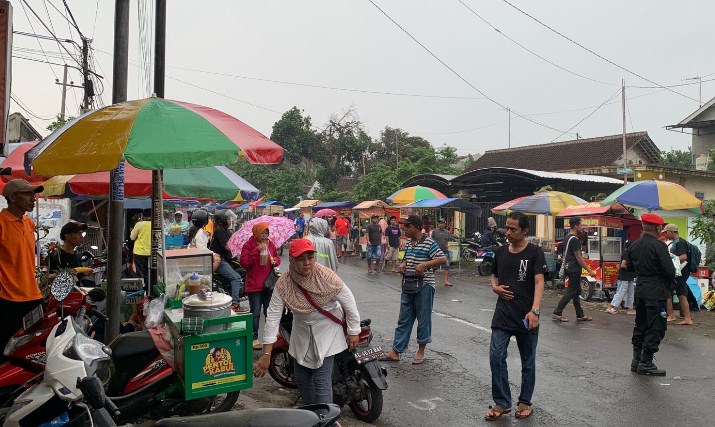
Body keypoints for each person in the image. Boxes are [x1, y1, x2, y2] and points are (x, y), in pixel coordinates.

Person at [254, 239, 360, 406]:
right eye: (301, 259)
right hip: (301, 333)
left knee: (321, 380)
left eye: (310, 257)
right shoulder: (284, 284)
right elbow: (272, 318)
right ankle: (312, 414)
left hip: (327, 330)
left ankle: (327, 420)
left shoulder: (326, 277)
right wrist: (266, 354)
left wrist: (354, 330)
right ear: (292, 260)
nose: (307, 263)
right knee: (302, 379)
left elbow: (349, 301)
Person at [485, 212, 546, 421]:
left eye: (513, 229)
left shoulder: (535, 252)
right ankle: (502, 402)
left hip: (526, 316)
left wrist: (535, 310)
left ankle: (524, 401)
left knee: (527, 361)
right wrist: (495, 287)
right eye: (507, 228)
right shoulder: (500, 252)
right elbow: (493, 275)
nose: (508, 232)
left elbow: (539, 282)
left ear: (525, 230)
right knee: (496, 356)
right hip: (502, 314)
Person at [380, 215, 446, 365]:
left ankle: (421, 351)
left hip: (424, 286)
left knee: (423, 319)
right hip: (409, 284)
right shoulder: (409, 243)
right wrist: (404, 264)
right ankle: (396, 351)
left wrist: (424, 265)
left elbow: (442, 259)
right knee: (404, 319)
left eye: (408, 227)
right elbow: (408, 258)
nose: (405, 229)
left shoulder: (429, 242)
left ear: (417, 227)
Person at [626, 213, 675, 376]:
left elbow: (630, 268)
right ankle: (646, 362)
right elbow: (670, 271)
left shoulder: (634, 245)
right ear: (658, 228)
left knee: (641, 325)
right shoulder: (659, 246)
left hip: (640, 290)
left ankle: (636, 360)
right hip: (656, 291)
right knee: (656, 326)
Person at [0, 179, 45, 354]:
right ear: (12, 197)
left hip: (33, 295)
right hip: (7, 299)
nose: (33, 198)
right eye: (27, 194)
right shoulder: (2, 223)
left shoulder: (29, 223)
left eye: (34, 194)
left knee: (33, 348)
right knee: (6, 350)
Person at [240, 222, 281, 349]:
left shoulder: (270, 244)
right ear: (256, 233)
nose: (265, 235)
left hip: (268, 284)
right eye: (262, 233)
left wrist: (275, 261)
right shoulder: (248, 245)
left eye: (266, 233)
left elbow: (276, 258)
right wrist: (256, 251)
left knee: (270, 311)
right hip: (254, 285)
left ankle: (272, 336)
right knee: (255, 312)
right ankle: (254, 338)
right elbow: (244, 263)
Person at [552, 218, 596, 322]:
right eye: (580, 225)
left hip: (569, 266)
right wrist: (589, 270)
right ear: (575, 226)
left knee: (576, 292)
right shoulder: (575, 239)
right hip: (574, 268)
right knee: (571, 292)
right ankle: (557, 312)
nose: (582, 228)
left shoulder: (567, 237)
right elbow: (578, 257)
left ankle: (580, 314)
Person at [210, 210, 249, 313]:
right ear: (222, 220)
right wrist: (242, 250)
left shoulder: (226, 230)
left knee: (244, 269)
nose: (230, 221)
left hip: (228, 259)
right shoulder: (219, 230)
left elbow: (234, 243)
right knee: (236, 278)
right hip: (220, 260)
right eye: (228, 219)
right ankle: (235, 304)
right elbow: (228, 247)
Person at [663, 224, 694, 326]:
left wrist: (669, 260)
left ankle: (671, 315)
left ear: (671, 232)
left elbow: (683, 257)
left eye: (666, 232)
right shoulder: (678, 242)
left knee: (667, 291)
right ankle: (687, 318)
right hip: (681, 273)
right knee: (681, 294)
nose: (665, 234)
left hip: (680, 273)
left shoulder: (679, 242)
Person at [607, 240, 637, 315]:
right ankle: (611, 307)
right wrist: (632, 268)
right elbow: (623, 265)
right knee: (621, 291)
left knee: (630, 292)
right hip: (625, 276)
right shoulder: (626, 254)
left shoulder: (626, 253)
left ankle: (630, 308)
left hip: (628, 276)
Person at [130, 209, 152, 282]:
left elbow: (132, 237)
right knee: (148, 271)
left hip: (139, 252)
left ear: (143, 216)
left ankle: (141, 289)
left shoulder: (139, 224)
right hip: (151, 252)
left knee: (139, 272)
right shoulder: (156, 225)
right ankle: (148, 287)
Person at [431, 218, 453, 286]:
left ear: (444, 224)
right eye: (439, 223)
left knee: (446, 266)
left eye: (442, 223)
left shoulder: (447, 232)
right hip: (436, 251)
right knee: (433, 266)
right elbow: (432, 240)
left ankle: (446, 281)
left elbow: (449, 240)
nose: (440, 224)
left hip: (445, 251)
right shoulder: (434, 231)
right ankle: (430, 280)